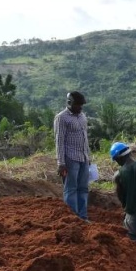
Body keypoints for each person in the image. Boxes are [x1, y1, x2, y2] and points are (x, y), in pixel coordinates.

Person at [54, 91, 91, 221]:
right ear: (69, 103)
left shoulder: (82, 116)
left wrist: (89, 157)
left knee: (83, 188)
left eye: (81, 105)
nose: (80, 107)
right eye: (78, 105)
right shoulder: (61, 118)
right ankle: (73, 218)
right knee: (71, 189)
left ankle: (83, 217)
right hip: (70, 159)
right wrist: (61, 163)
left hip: (83, 158)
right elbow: (59, 141)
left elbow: (85, 138)